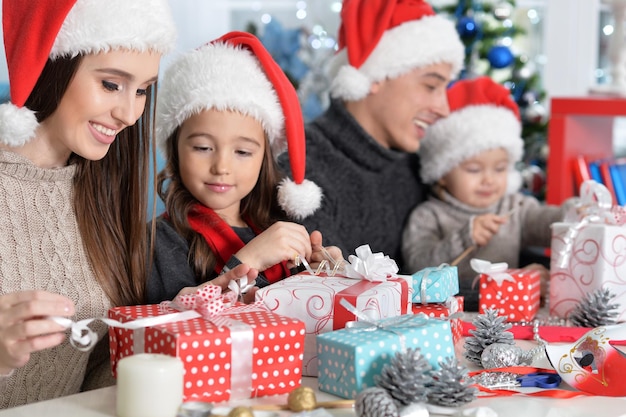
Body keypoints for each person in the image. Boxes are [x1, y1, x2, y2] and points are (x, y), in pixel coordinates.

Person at [0, 0, 179, 408]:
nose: (129, 113)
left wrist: (195, 307)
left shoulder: (102, 190)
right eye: (112, 85)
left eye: (143, 90)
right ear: (53, 65)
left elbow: (101, 363)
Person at [147, 32, 341, 304]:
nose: (222, 167)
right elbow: (175, 327)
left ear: (264, 157)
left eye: (242, 152)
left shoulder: (275, 225)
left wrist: (323, 275)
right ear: (174, 149)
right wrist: (251, 260)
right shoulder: (161, 242)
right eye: (203, 148)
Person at [277, 0, 464, 269]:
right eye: (431, 85)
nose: (444, 108)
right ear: (376, 74)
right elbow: (337, 294)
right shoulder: (301, 172)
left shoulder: (415, 167)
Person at [402, 77, 574, 311]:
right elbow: (417, 270)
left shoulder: (513, 206)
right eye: (474, 169)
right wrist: (464, 238)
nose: (489, 179)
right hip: (448, 318)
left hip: (506, 316)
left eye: (500, 168)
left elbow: (546, 223)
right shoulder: (428, 216)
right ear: (442, 172)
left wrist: (575, 213)